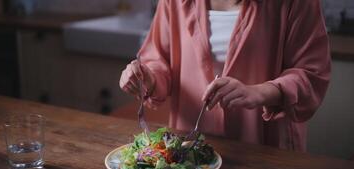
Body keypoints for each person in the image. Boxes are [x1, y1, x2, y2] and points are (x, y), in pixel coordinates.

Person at [119, 0, 331, 151]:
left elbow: (311, 74)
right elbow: (160, 61)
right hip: (190, 149)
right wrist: (148, 79)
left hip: (266, 147)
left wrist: (258, 92)